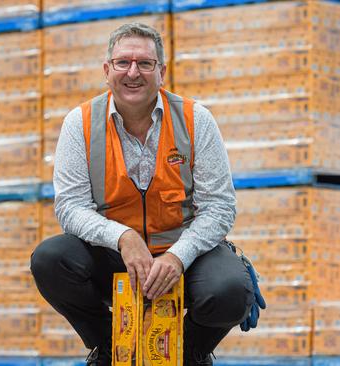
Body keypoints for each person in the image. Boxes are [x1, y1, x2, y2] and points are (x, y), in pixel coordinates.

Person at [31, 22, 255, 366]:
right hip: (114, 257)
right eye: (122, 63)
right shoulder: (80, 123)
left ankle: (189, 353)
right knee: (50, 259)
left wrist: (178, 256)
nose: (132, 72)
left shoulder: (197, 119)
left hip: (184, 257)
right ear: (107, 71)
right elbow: (71, 207)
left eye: (145, 64)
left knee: (231, 290)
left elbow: (219, 207)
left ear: (161, 72)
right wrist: (122, 236)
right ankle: (110, 347)